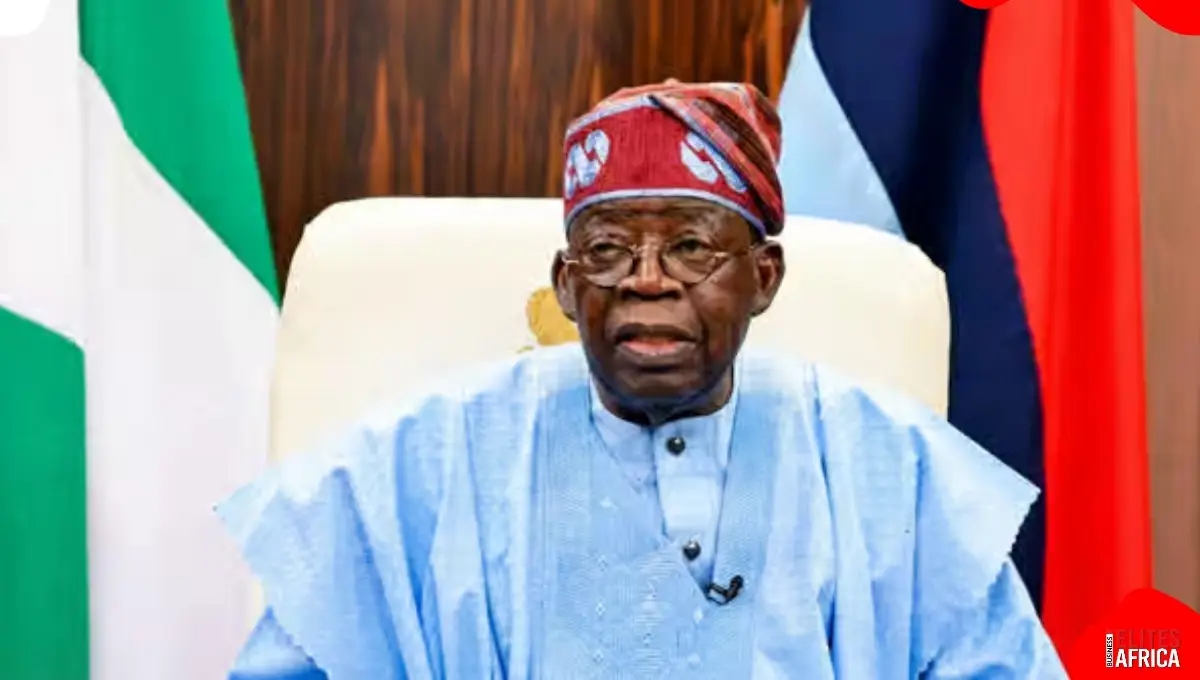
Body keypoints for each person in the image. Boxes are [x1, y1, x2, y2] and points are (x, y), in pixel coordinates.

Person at [221, 81, 1066, 679]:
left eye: (691, 246)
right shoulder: (417, 465)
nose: (648, 280)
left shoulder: (893, 470)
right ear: (566, 284)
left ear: (764, 277)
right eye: (608, 250)